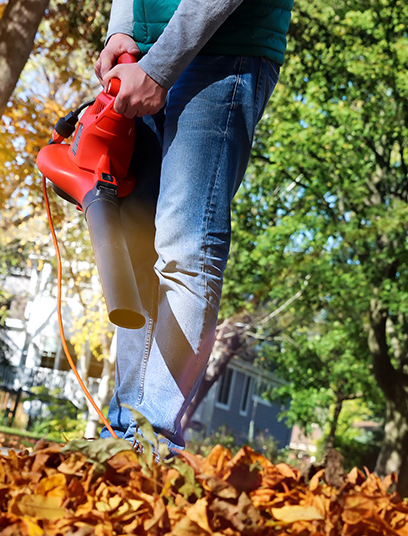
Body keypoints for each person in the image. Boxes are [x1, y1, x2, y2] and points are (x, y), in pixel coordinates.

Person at [95, 0, 293, 450]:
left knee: (184, 244)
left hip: (225, 47)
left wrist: (160, 67)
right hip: (142, 57)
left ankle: (154, 441)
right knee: (137, 247)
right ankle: (122, 435)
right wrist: (122, 31)